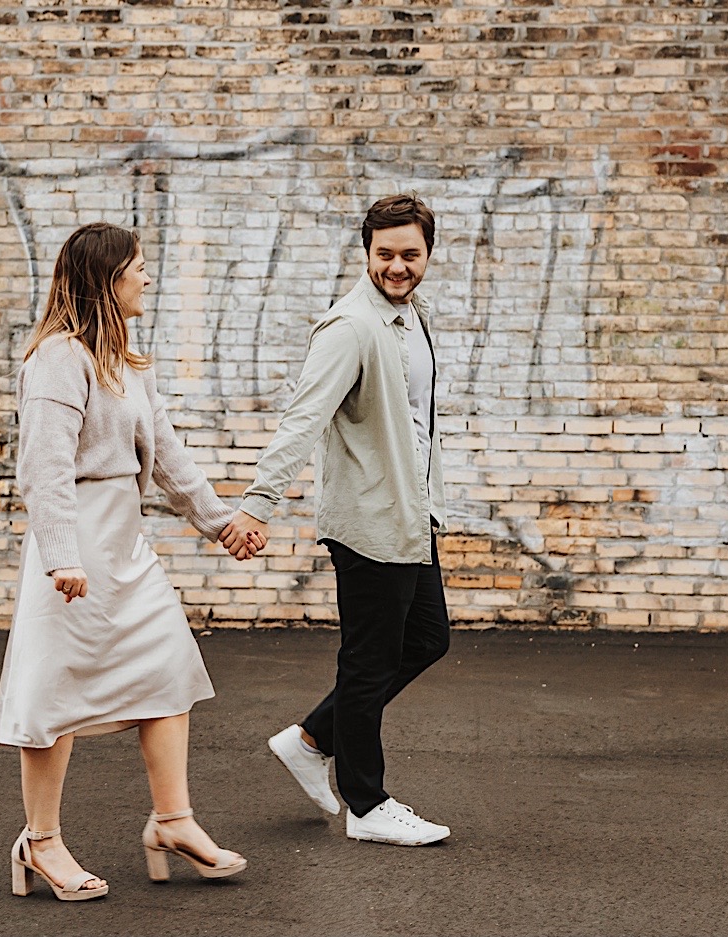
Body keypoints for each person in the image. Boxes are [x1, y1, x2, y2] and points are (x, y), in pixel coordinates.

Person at [0, 222, 257, 900]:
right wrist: (59, 557)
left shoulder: (126, 363)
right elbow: (43, 468)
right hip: (75, 545)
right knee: (52, 693)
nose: (149, 277)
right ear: (105, 280)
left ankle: (173, 821)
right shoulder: (58, 360)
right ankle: (40, 842)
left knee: (167, 668)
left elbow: (168, 457)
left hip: (124, 545)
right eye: (138, 268)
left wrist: (221, 522)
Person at [220, 194, 453, 847]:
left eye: (410, 254)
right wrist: (257, 503)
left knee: (427, 638)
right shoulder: (352, 326)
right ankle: (366, 803)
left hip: (410, 514)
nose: (398, 266)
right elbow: (303, 418)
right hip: (369, 517)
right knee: (369, 657)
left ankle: (312, 738)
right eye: (385, 254)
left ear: (428, 253)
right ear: (366, 253)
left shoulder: (413, 316)